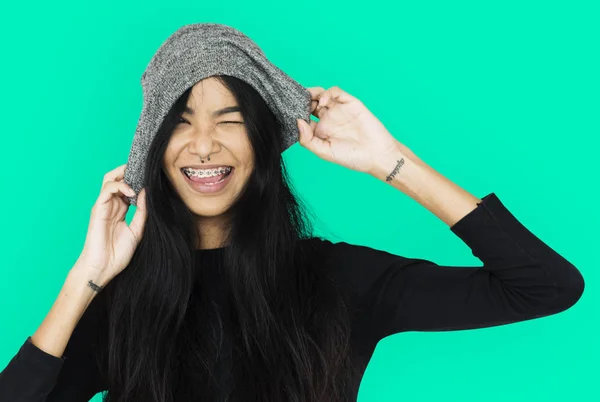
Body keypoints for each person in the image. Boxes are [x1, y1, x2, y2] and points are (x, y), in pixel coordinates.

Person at [0, 76, 585, 402]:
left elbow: (546, 286)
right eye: (180, 121)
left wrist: (392, 162)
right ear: (154, 151)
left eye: (228, 120)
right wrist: (86, 281)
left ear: (263, 146)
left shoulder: (339, 281)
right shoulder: (124, 306)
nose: (203, 145)